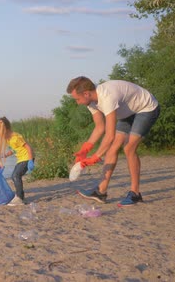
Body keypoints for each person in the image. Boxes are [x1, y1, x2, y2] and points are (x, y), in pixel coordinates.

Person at [67, 76, 160, 207]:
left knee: (128, 148)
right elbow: (100, 128)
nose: (77, 102)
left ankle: (135, 194)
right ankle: (101, 191)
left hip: (146, 108)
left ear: (86, 93)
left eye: (77, 99)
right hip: (128, 113)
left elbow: (109, 136)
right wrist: (84, 150)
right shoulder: (91, 102)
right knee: (112, 149)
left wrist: (95, 157)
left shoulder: (107, 96)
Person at [0, 117, 35, 206]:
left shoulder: (15, 137)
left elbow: (28, 147)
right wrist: (5, 155)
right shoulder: (8, 138)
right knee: (15, 176)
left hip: (26, 158)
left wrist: (30, 161)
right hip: (21, 159)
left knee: (15, 175)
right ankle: (21, 196)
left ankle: (19, 197)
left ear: (4, 129)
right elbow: (14, 149)